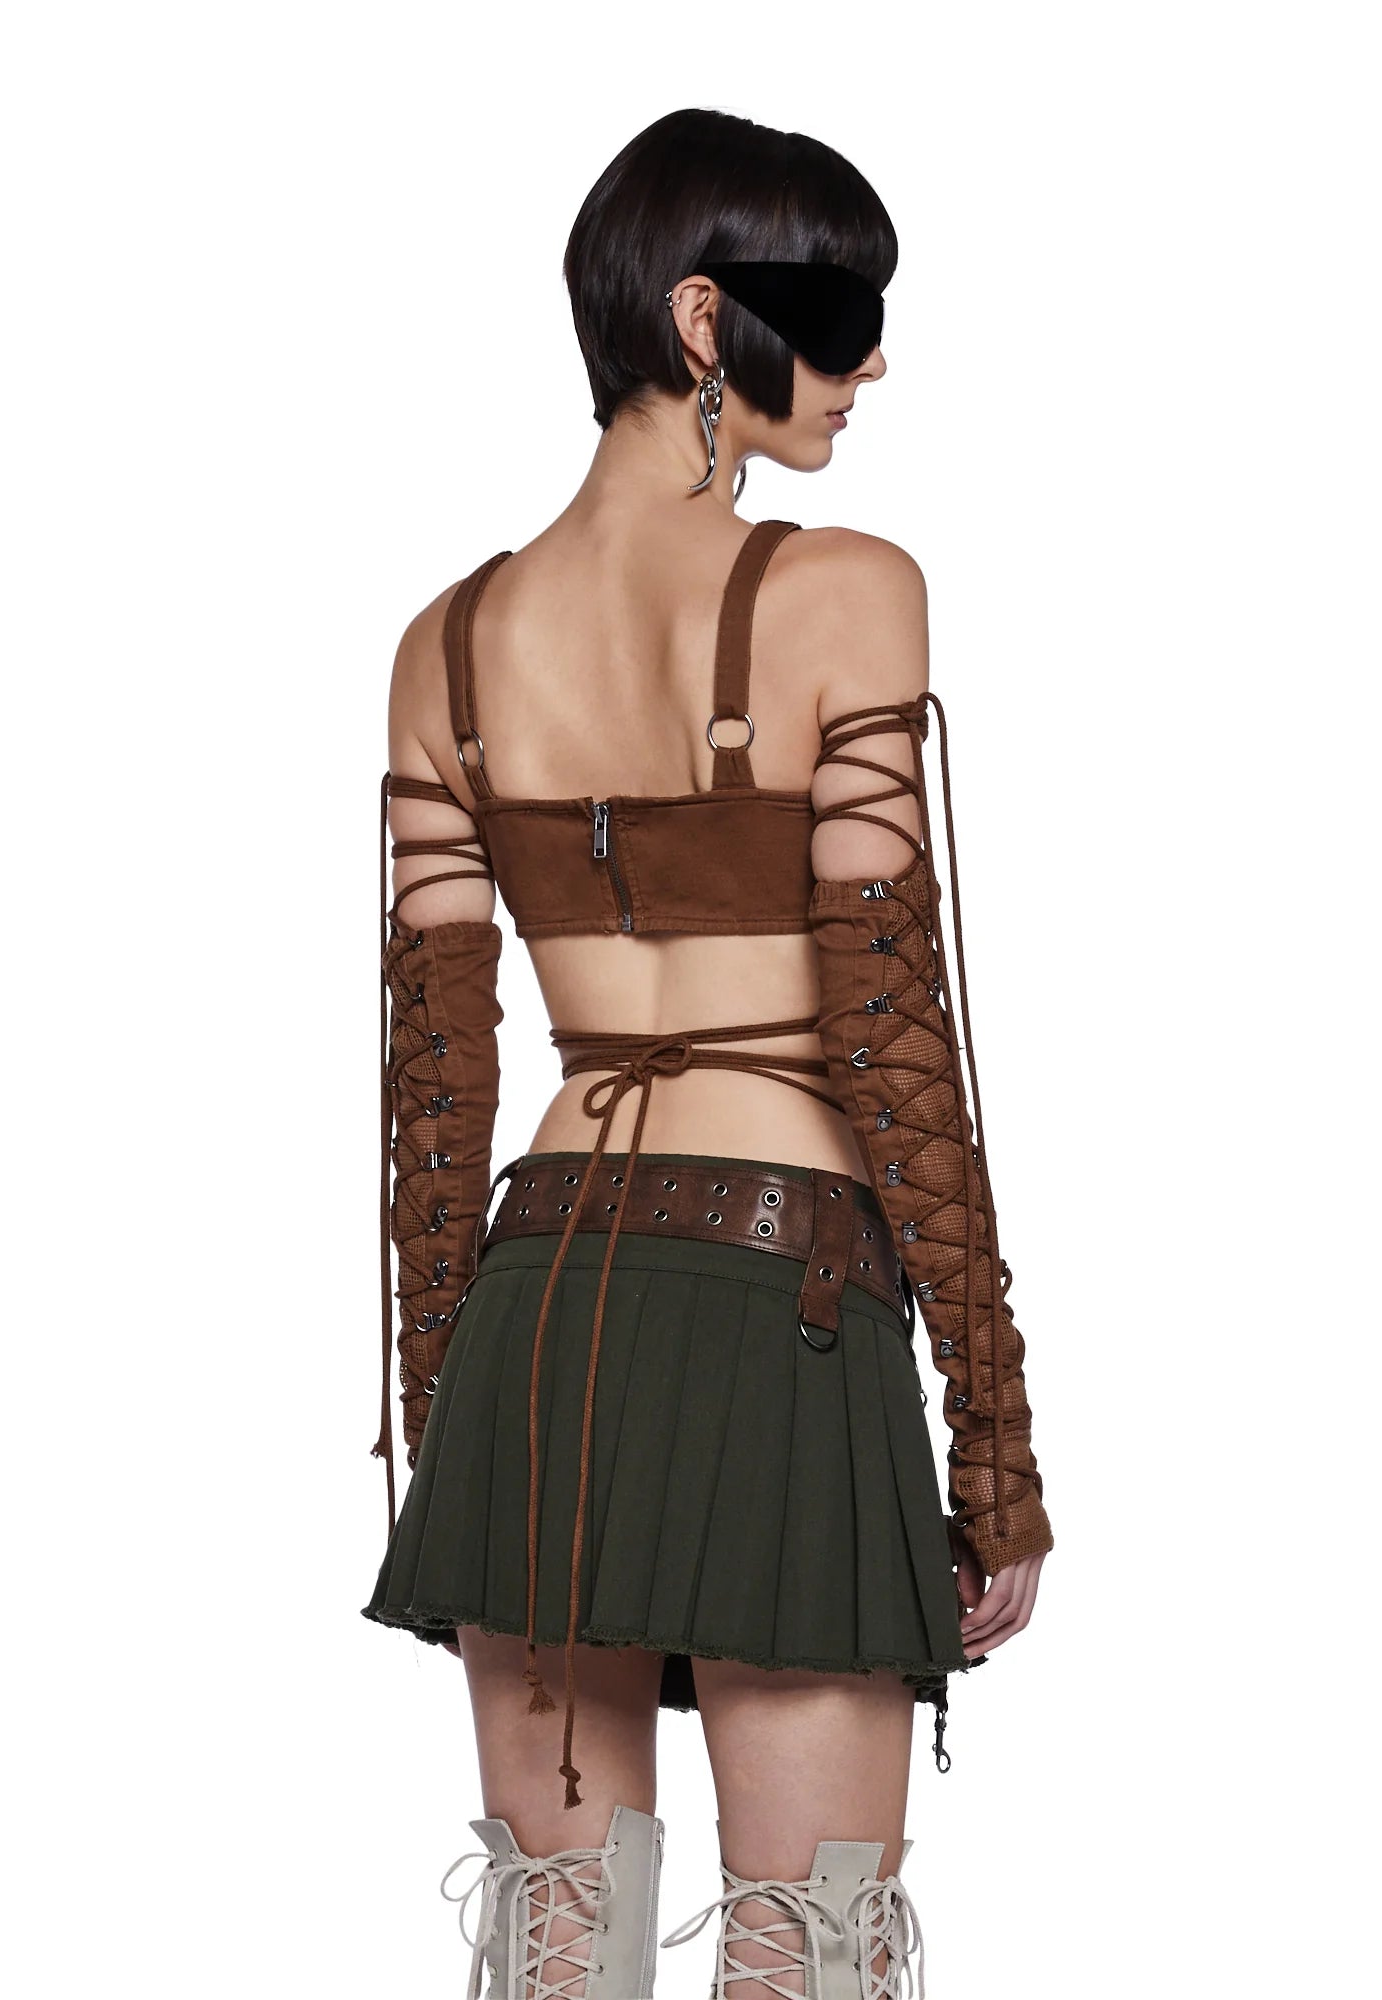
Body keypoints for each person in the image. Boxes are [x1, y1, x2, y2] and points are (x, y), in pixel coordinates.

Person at [361, 106, 1054, 2000]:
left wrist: (454, 1426)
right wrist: (994, 1450)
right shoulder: (847, 590)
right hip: (779, 1302)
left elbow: (438, 1095)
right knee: (804, 1950)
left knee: (555, 1950)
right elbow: (893, 1045)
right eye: (836, 318)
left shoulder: (445, 645)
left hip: (536, 1323)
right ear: (699, 321)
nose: (868, 364)